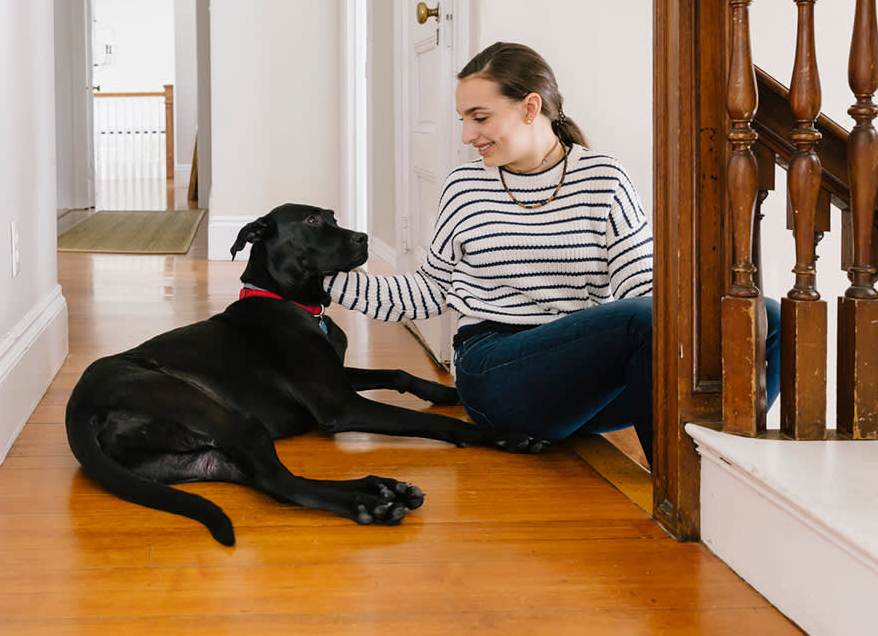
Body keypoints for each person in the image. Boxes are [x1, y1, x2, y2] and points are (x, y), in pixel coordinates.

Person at [324, 42, 780, 466]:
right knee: (641, 319)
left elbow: (641, 291)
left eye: (479, 117)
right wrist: (320, 280)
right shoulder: (464, 187)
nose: (467, 134)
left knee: (773, 319)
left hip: (585, 390)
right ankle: (683, 483)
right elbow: (428, 290)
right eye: (463, 119)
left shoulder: (603, 177)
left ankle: (729, 461)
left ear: (530, 108)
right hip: (494, 370)